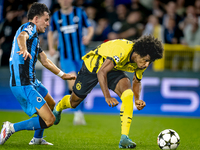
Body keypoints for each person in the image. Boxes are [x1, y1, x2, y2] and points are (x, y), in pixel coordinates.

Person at [53, 35, 164, 148]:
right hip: (93, 66)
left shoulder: (143, 61)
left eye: (149, 62)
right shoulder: (122, 50)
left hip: (113, 69)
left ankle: (124, 138)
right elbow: (101, 72)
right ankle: (59, 107)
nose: (146, 64)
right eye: (145, 60)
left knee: (128, 94)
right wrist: (107, 96)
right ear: (138, 52)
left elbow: (136, 80)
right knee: (74, 102)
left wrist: (137, 99)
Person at [0, 2, 76, 145]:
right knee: (49, 120)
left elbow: (45, 60)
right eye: (46, 20)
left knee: (51, 104)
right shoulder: (29, 28)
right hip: (23, 83)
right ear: (36, 19)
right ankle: (10, 127)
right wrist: (23, 49)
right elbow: (21, 36)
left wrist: (63, 75)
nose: (48, 24)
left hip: (32, 81)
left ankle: (37, 139)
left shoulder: (35, 37)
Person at [48, 0, 94, 125]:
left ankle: (79, 113)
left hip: (81, 56)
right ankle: (77, 113)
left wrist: (89, 36)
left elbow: (90, 28)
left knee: (82, 86)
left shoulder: (79, 12)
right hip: (66, 57)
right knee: (73, 84)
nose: (65, 1)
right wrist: (51, 47)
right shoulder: (56, 16)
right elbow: (51, 32)